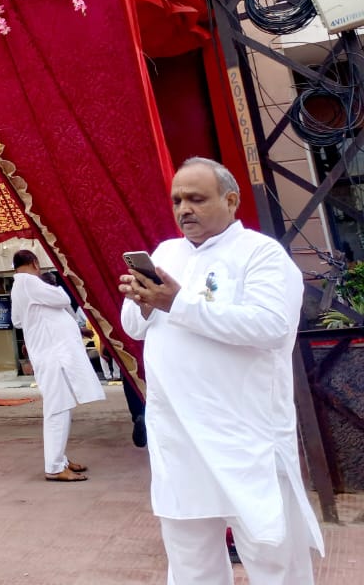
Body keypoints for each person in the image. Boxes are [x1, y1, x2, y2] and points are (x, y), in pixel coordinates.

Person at [120, 156, 325, 584]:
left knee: (273, 558)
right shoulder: (165, 253)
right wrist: (142, 302)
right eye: (177, 200)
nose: (183, 210)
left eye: (196, 198)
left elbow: (272, 326)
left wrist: (179, 304)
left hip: (245, 437)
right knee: (191, 561)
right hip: (178, 438)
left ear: (231, 200)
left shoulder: (261, 254)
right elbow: (134, 327)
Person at [9, 250, 106, 482]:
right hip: (53, 356)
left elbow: (18, 320)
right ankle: (54, 466)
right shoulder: (29, 281)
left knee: (63, 406)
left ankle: (59, 458)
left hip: (50, 354)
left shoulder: (19, 287)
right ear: (34, 263)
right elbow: (63, 299)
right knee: (57, 409)